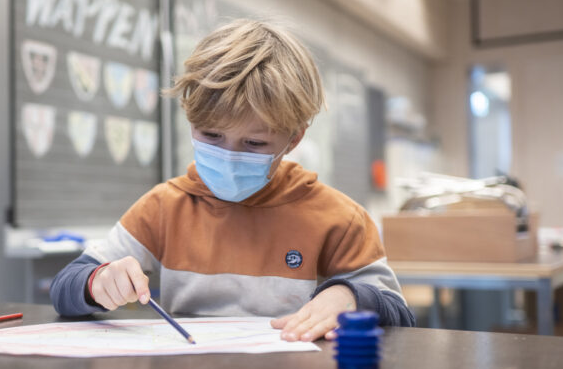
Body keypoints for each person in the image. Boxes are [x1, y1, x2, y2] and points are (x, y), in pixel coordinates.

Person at [50, 19, 415, 341]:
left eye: (254, 143)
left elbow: (400, 316)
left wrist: (350, 297)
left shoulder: (338, 219)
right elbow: (64, 286)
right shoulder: (166, 207)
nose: (228, 154)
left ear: (294, 139)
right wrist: (97, 281)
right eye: (210, 135)